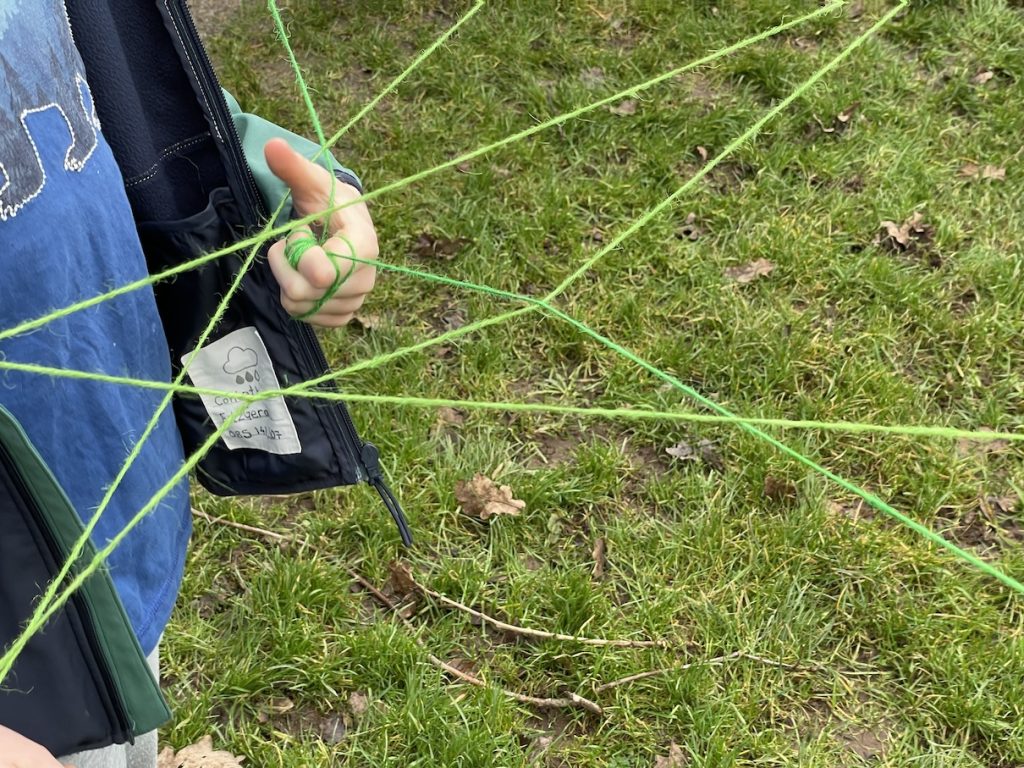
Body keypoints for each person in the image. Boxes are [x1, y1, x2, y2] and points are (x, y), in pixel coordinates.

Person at [0, 0, 384, 765]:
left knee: (123, 722)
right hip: (19, 668)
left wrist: (270, 171)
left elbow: (96, 60)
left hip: (112, 515)